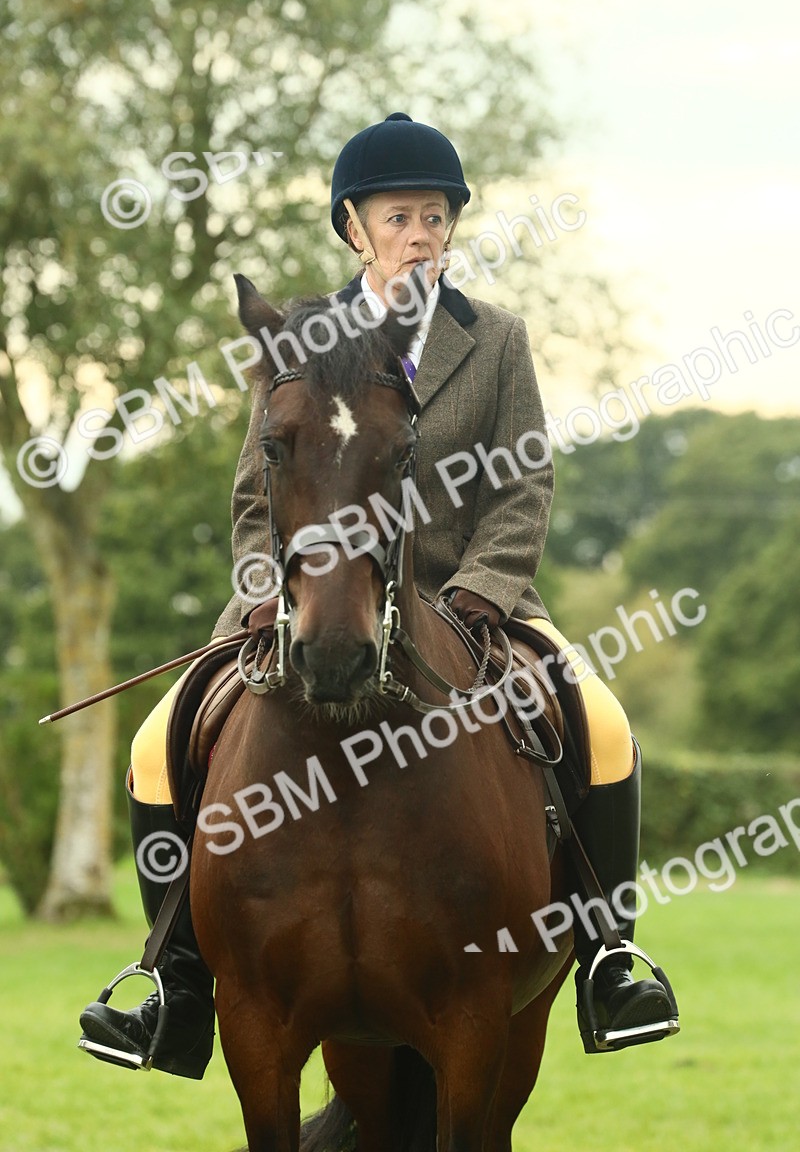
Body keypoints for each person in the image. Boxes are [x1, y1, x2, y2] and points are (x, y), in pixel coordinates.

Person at [79, 113, 679, 1076]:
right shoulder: (302, 340)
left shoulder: (494, 342)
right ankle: (176, 979)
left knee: (604, 724)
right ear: (353, 226)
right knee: (159, 743)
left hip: (472, 602)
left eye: (436, 217)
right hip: (308, 601)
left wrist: (487, 587)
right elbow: (255, 492)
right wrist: (265, 594)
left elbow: (524, 483)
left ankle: (611, 957)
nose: (421, 234)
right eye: (400, 216)